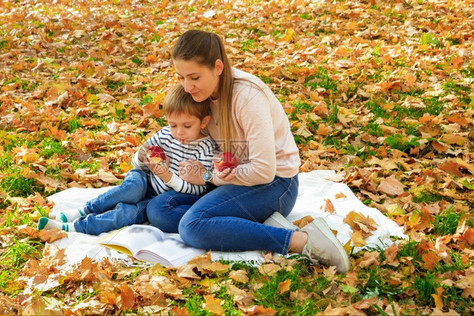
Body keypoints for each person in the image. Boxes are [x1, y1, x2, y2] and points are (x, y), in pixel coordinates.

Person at [146, 30, 351, 273]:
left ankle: (300, 240)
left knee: (191, 227)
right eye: (180, 77)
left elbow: (263, 171)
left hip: (275, 185)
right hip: (233, 182)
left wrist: (209, 177)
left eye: (194, 77)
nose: (187, 87)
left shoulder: (247, 97)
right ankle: (252, 224)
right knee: (160, 208)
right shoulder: (201, 94)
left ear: (218, 67)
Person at [37, 84, 217, 235]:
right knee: (133, 189)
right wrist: (142, 159)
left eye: (187, 126)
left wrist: (167, 176)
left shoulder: (206, 149)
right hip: (144, 178)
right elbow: (137, 159)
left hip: (160, 196)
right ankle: (81, 211)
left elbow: (196, 190)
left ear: (203, 122)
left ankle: (73, 227)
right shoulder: (165, 135)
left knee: (126, 213)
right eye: (172, 125)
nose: (179, 132)